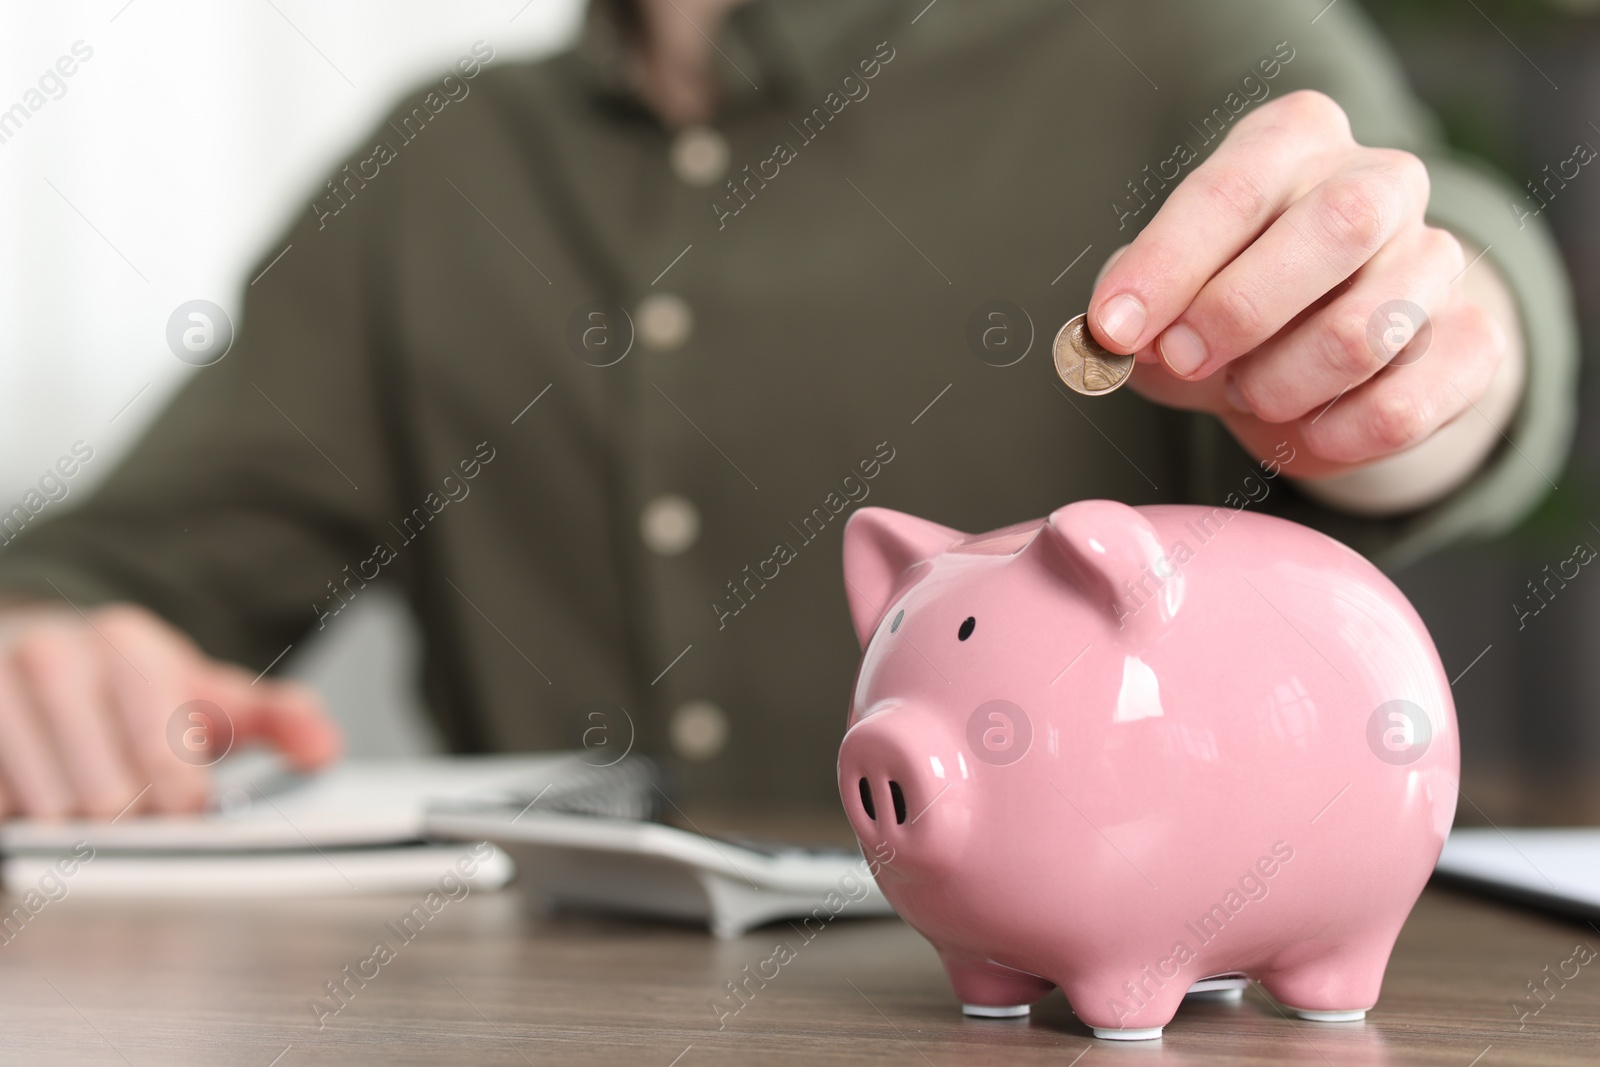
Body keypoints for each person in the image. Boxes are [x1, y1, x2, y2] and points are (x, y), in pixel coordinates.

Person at [0, 0, 1575, 819]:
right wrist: (45, 664)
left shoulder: (1163, 39)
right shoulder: (436, 174)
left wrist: (1435, 351)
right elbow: (94, 577)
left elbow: (1426, 266)